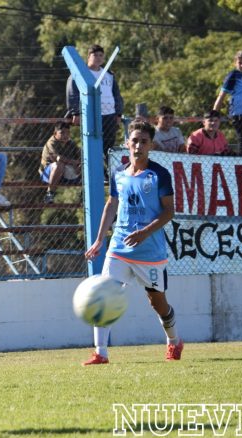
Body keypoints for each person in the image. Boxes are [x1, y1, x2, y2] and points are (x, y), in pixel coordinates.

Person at [83, 120, 182, 365]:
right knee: (104, 294)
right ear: (127, 143)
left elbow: (168, 212)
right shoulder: (118, 173)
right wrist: (98, 240)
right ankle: (100, 352)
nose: (138, 145)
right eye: (134, 141)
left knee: (158, 304)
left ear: (151, 145)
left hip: (149, 251)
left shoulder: (159, 174)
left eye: (143, 141)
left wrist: (144, 232)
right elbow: (111, 204)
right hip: (119, 247)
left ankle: (174, 341)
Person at [66, 44, 124, 168]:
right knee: (93, 146)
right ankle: (95, 172)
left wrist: (118, 113)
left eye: (101, 55)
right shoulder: (81, 73)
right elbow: (72, 93)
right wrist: (76, 112)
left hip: (109, 115)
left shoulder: (109, 74)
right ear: (88, 57)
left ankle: (110, 172)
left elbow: (116, 94)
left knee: (109, 146)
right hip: (91, 115)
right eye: (95, 55)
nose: (98, 58)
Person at [39, 122, 81, 204]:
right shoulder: (51, 143)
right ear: (55, 133)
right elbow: (58, 158)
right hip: (48, 173)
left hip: (65, 173)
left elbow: (79, 155)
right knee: (59, 165)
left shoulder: (71, 143)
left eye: (68, 133)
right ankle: (49, 193)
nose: (66, 135)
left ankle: (84, 194)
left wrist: (79, 164)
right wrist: (73, 162)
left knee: (85, 162)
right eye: (62, 133)